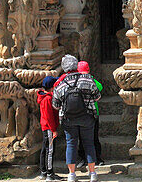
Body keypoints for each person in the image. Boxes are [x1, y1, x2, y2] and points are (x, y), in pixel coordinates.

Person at [52, 54, 102, 182]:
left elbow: (55, 105)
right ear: (76, 66)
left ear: (64, 68)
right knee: (89, 143)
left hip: (69, 119)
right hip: (87, 117)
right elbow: (97, 97)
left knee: (71, 144)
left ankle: (72, 174)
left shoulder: (61, 84)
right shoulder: (87, 79)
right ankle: (92, 173)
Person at [77, 61, 105, 165]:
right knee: (93, 137)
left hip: (81, 113)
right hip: (93, 113)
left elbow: (100, 87)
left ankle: (85, 158)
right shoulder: (92, 80)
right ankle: (97, 158)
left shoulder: (77, 81)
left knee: (83, 137)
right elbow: (100, 87)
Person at [37, 76, 59, 181]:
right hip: (49, 127)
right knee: (50, 150)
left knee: (45, 149)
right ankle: (49, 173)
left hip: (45, 126)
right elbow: (49, 116)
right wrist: (54, 129)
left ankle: (43, 171)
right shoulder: (48, 99)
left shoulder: (44, 97)